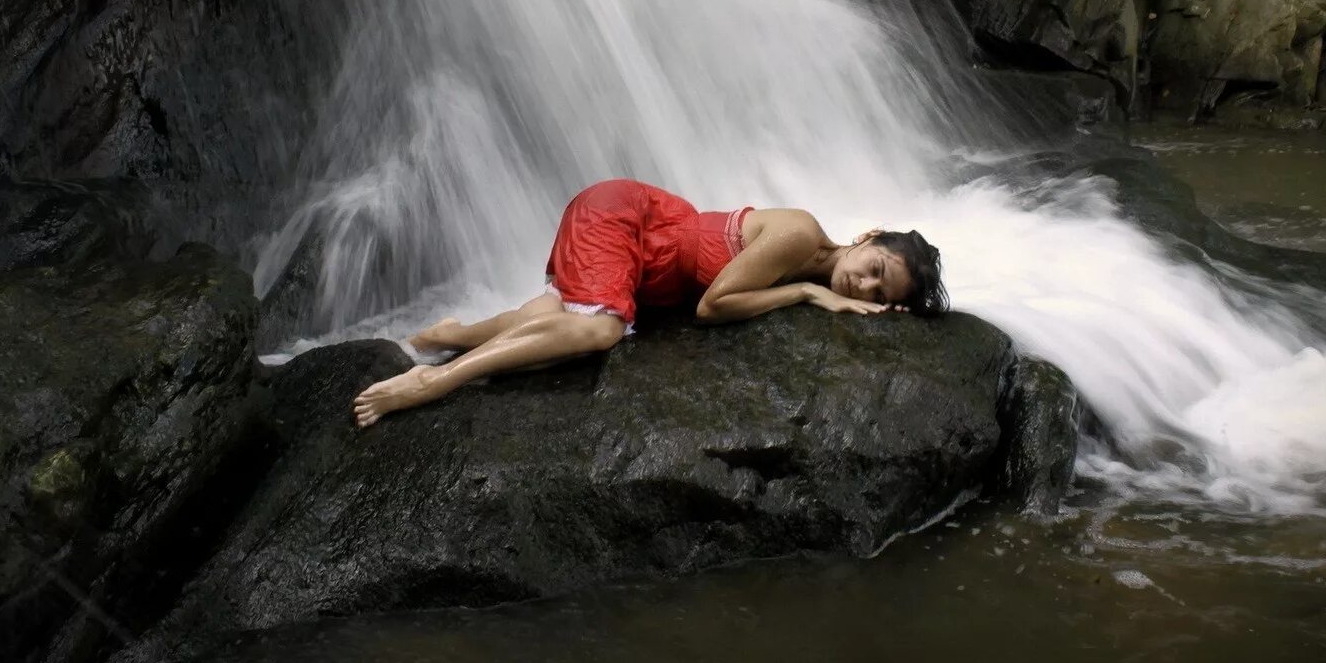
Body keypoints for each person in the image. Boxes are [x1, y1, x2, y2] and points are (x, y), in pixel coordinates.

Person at [352, 178, 947, 426]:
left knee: (556, 329)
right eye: (875, 269)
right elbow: (714, 306)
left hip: (643, 262)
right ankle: (435, 382)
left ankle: (446, 334)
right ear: (867, 237)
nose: (862, 288)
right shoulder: (800, 235)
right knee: (600, 332)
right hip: (626, 220)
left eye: (879, 294)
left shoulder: (819, 255)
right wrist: (807, 292)